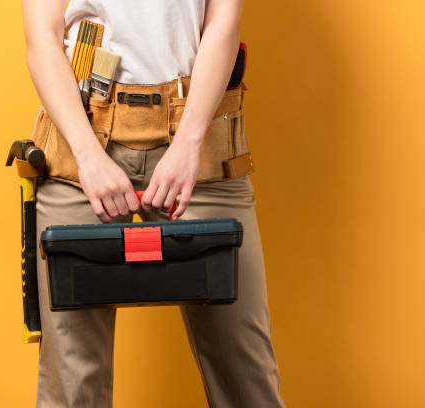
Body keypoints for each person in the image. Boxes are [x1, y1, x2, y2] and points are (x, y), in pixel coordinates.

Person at [21, 0, 285, 406]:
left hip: (197, 141)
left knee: (246, 374)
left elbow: (223, 24)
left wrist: (190, 142)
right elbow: (42, 37)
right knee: (72, 381)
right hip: (83, 137)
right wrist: (88, 155)